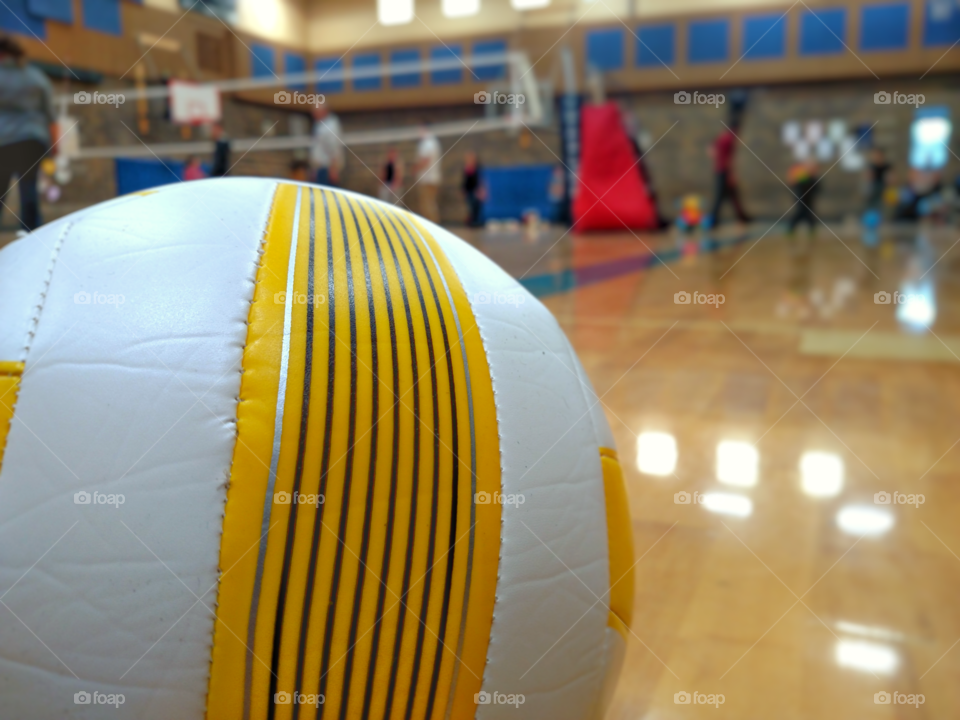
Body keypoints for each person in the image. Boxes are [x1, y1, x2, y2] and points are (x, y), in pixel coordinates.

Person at [0, 35, 57, 232]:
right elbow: (51, 116)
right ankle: (31, 234)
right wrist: (54, 144)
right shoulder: (37, 77)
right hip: (32, 140)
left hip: (3, 143)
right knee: (29, 188)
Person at [707, 119, 751, 229]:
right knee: (721, 196)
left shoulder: (722, 136)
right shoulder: (730, 139)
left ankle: (742, 217)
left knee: (733, 196)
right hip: (724, 171)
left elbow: (710, 150)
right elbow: (729, 159)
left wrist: (717, 159)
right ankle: (713, 219)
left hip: (718, 169)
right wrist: (731, 174)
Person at [309, 105, 343, 187]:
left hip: (327, 169)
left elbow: (333, 148)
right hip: (319, 169)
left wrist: (333, 169)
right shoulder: (318, 125)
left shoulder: (330, 126)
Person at [414, 124, 441, 223]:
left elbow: (425, 160)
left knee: (427, 206)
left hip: (427, 179)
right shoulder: (434, 142)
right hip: (434, 178)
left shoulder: (427, 142)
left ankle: (432, 227)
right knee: (431, 204)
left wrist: (416, 168)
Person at [787, 159, 819, 235]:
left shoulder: (813, 179)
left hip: (808, 202)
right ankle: (790, 233)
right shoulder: (804, 178)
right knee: (799, 217)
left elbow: (816, 189)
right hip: (802, 202)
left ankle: (811, 235)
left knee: (809, 219)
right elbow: (797, 185)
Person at [462, 151, 483, 227]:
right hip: (469, 191)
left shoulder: (476, 168)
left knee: (475, 207)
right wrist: (463, 190)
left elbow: (478, 181)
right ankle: (472, 221)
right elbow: (465, 181)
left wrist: (479, 191)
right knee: (470, 207)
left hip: (475, 191)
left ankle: (475, 221)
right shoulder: (467, 168)